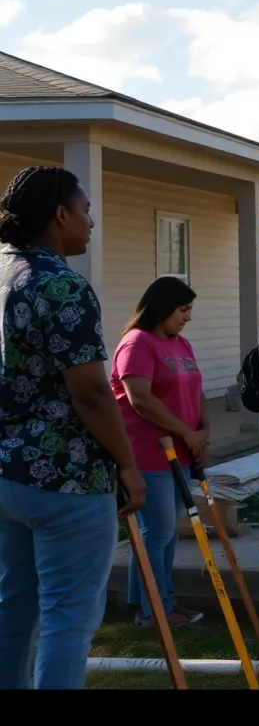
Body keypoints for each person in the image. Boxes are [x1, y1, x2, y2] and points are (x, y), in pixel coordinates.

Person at [0, 165, 147, 690]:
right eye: (85, 211)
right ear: (60, 215)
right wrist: (127, 463)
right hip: (66, 479)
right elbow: (88, 391)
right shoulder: (60, 285)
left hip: (6, 474)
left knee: (13, 610)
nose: (91, 223)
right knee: (68, 621)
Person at [112, 276, 209, 630]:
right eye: (183, 310)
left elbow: (196, 389)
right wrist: (186, 432)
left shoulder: (181, 344)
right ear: (163, 307)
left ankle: (156, 599)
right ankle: (155, 608)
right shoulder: (136, 344)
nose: (187, 317)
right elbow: (141, 399)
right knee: (159, 531)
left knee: (165, 533)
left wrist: (203, 432)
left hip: (180, 453)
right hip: (148, 454)